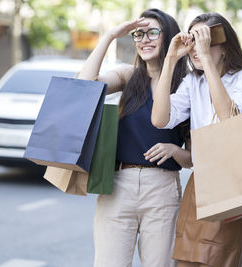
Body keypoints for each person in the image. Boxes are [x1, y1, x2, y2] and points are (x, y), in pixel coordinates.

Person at [150, 12, 242, 267]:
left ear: (225, 47)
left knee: (218, 259)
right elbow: (160, 119)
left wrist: (205, 59)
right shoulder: (194, 82)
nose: (197, 47)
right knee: (186, 260)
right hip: (199, 183)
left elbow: (229, 120)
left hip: (233, 182)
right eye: (193, 40)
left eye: (207, 39)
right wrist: (170, 59)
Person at [78, 8, 192, 267]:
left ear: (170, 36)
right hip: (118, 186)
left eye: (153, 32)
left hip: (162, 189)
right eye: (138, 34)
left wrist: (174, 150)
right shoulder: (128, 76)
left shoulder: (187, 86)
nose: (144, 39)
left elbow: (193, 158)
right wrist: (109, 36)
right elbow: (86, 85)